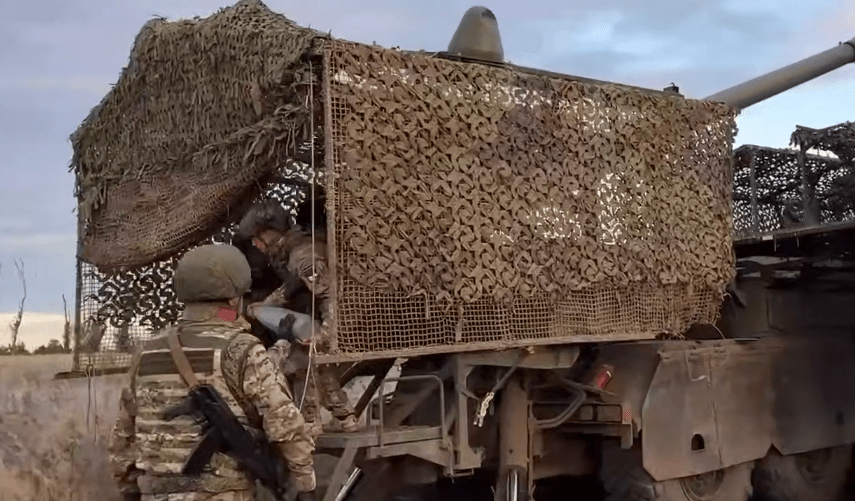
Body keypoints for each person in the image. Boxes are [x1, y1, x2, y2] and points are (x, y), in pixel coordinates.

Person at [108, 244, 317, 501]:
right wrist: (305, 484)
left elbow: (124, 437)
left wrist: (129, 489)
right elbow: (285, 425)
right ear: (234, 299)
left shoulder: (147, 352)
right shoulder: (242, 348)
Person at [236, 199, 358, 435]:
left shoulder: (304, 256)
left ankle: (309, 423)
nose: (254, 243)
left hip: (338, 319)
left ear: (271, 233)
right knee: (309, 359)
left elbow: (331, 297)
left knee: (298, 363)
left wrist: (326, 334)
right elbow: (293, 286)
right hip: (316, 319)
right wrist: (266, 305)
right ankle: (345, 417)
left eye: (256, 236)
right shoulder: (291, 252)